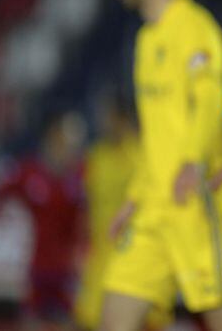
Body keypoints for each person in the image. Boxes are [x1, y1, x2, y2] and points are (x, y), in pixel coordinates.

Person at [103, 0, 222, 331]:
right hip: (152, 208)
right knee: (112, 318)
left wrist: (193, 162)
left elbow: (209, 103)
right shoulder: (147, 40)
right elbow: (155, 134)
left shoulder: (195, 28)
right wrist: (134, 197)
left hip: (193, 203)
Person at [73, 92, 171, 330]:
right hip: (100, 257)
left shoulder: (143, 156)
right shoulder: (95, 157)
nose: (103, 122)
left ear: (122, 118)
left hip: (137, 254)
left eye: (108, 116)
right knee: (90, 321)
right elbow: (83, 207)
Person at [0, 111, 85, 330]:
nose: (70, 148)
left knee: (68, 322)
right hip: (36, 267)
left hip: (65, 269)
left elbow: (82, 222)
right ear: (52, 138)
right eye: (66, 141)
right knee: (31, 322)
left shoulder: (79, 176)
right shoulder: (30, 172)